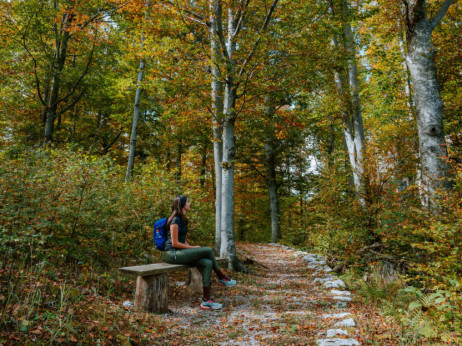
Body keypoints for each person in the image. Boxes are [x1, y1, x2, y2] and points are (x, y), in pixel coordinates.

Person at [163, 195, 236, 310]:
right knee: (207, 250)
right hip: (172, 254)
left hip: (180, 252)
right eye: (188, 201)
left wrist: (191, 247)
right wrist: (192, 249)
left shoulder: (182, 219)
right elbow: (174, 243)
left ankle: (206, 300)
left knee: (207, 263)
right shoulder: (175, 220)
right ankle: (221, 277)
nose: (189, 203)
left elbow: (182, 240)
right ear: (182, 205)